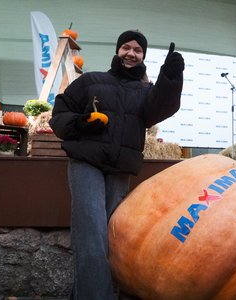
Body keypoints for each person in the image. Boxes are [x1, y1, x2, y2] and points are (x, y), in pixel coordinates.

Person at [49, 30, 184, 299]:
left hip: (119, 167)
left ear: (143, 56)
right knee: (91, 232)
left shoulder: (147, 92)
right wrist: (80, 123)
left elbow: (160, 109)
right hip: (86, 162)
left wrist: (169, 79)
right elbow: (60, 113)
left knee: (110, 235)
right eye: (126, 47)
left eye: (137, 50)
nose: (131, 53)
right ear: (117, 50)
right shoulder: (91, 81)